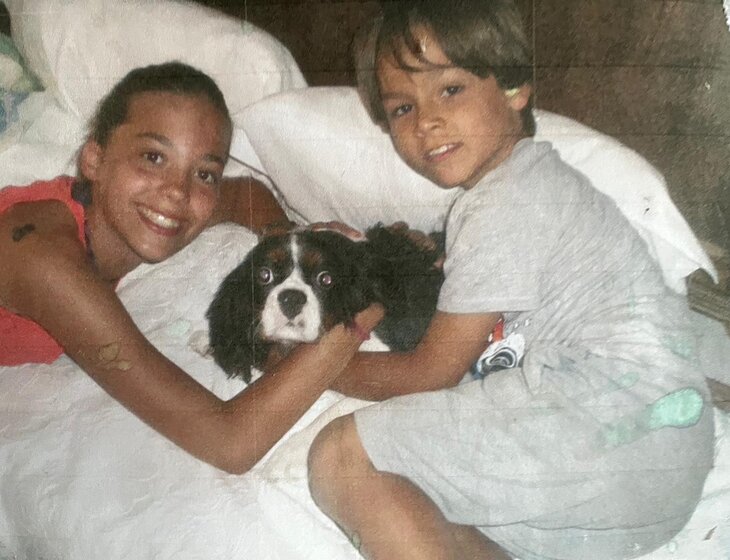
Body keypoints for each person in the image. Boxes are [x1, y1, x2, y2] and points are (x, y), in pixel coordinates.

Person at [307, 2, 720, 559]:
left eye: (450, 89)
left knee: (341, 455)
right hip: (659, 462)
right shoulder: (533, 187)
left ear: (514, 89)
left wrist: (312, 365)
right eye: (402, 107)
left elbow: (428, 374)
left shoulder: (505, 200)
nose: (425, 121)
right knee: (434, 503)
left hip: (614, 424)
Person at [0, 61, 383, 474]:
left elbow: (245, 193)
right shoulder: (43, 258)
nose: (178, 192)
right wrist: (369, 302)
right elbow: (230, 442)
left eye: (204, 173)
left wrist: (290, 241)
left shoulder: (153, 206)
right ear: (94, 158)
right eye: (153, 157)